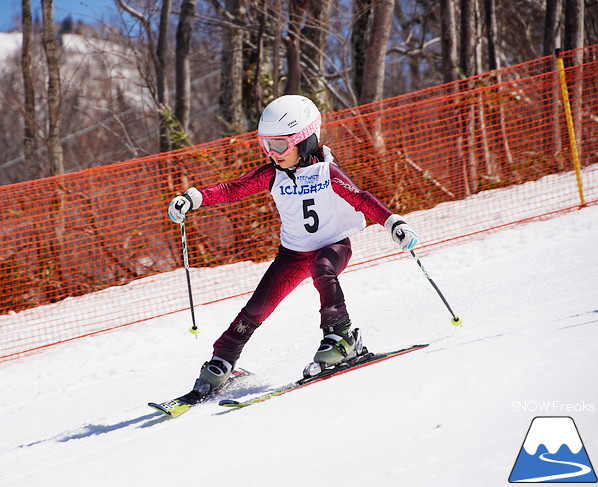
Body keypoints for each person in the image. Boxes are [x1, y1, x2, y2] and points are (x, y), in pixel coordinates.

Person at [167, 95, 418, 398]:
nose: (272, 153)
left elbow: (361, 198)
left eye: (280, 145)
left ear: (305, 140)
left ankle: (342, 337)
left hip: (333, 246)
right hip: (293, 254)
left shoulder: (327, 172)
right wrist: (194, 198)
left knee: (323, 269)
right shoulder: (272, 174)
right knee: (256, 308)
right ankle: (223, 360)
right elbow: (233, 189)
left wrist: (394, 223)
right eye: (266, 145)